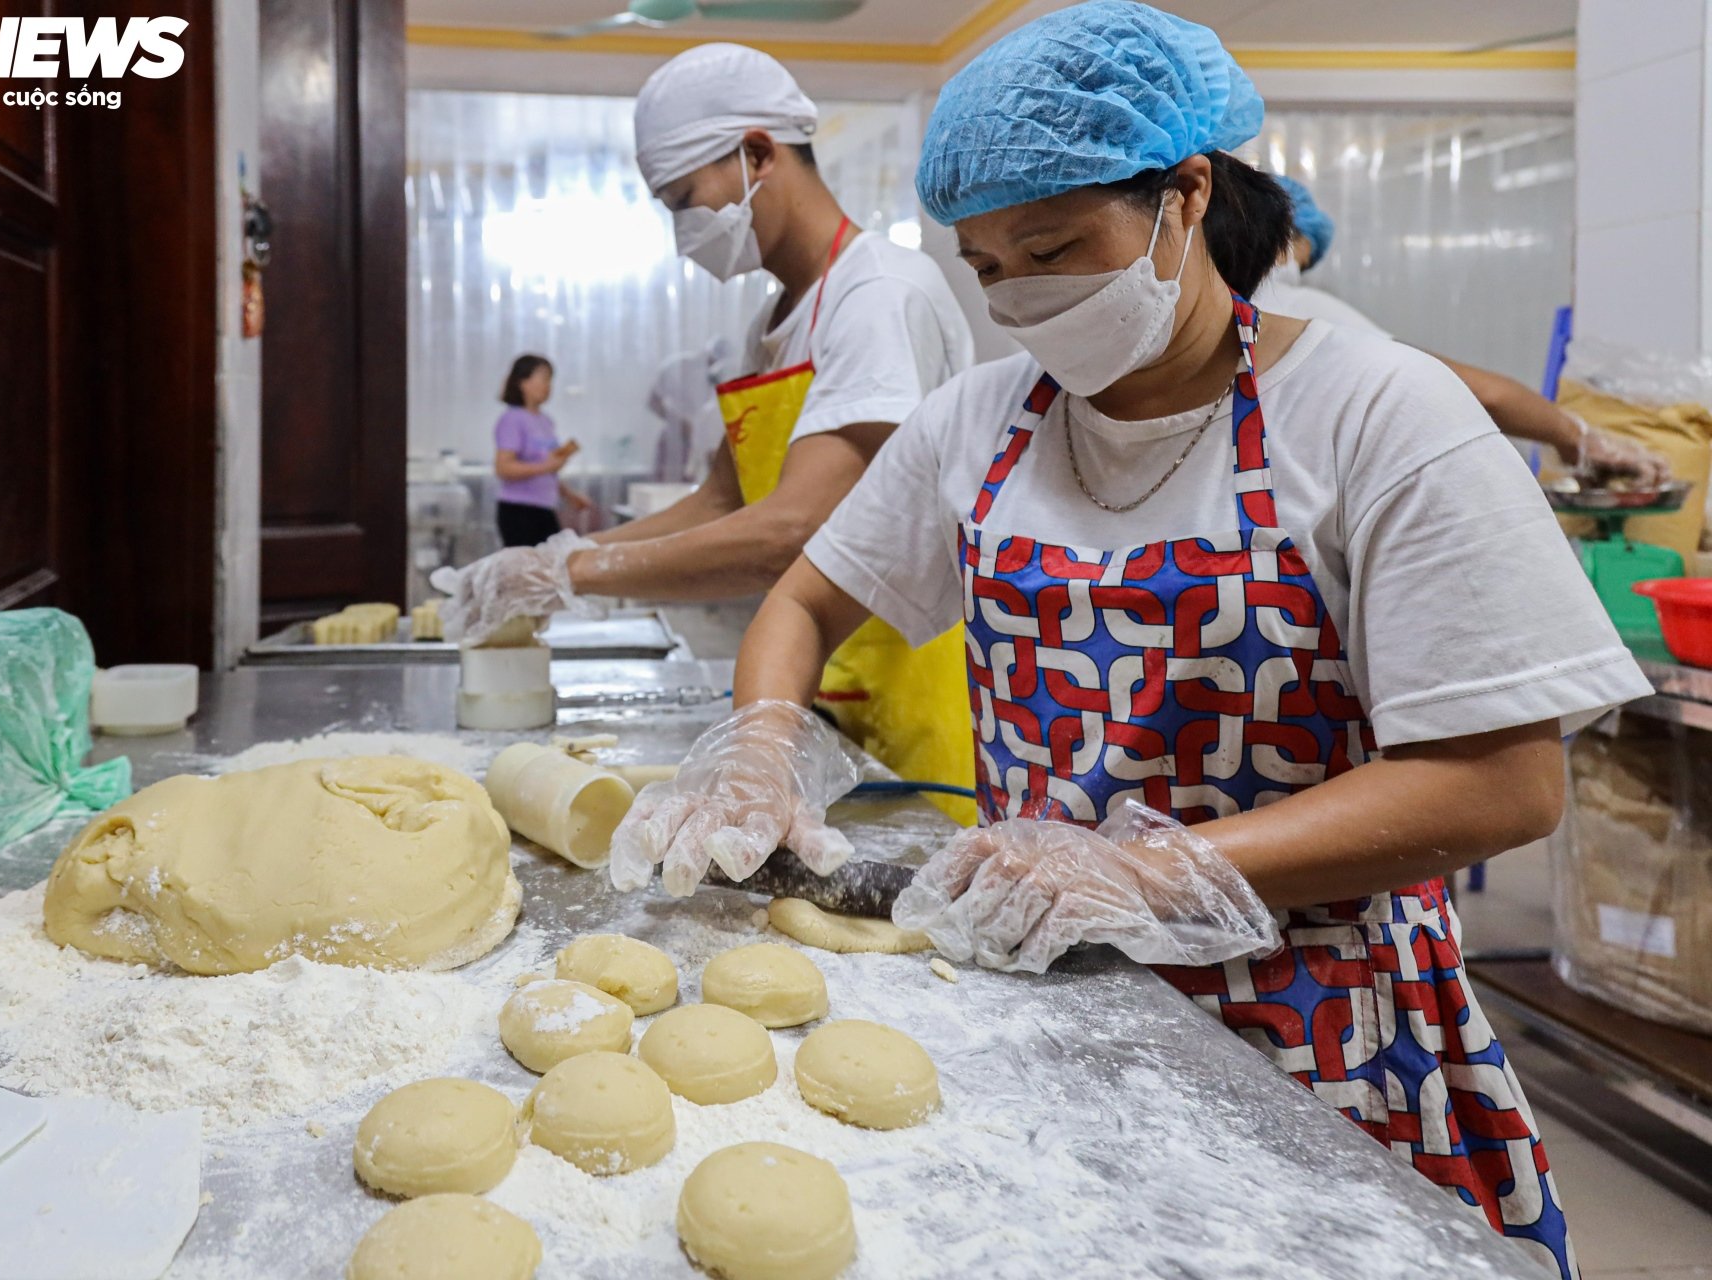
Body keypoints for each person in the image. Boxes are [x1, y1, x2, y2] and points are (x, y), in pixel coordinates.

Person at [608, 6, 1652, 1276]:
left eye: (1052, 248)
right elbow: (805, 599)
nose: (1021, 298)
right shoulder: (976, 421)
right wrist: (761, 743)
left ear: (1187, 194)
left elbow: (1504, 779)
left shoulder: (1377, 414)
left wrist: (1151, 872)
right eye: (987, 268)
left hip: (1320, 1031)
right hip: (1039, 997)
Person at [437, 44, 980, 823]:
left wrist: (577, 578)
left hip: (907, 711)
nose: (684, 231)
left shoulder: (879, 298)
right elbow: (723, 501)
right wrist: (556, 556)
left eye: (686, 199)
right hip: (820, 693)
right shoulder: (778, 318)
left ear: (757, 152)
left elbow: (794, 530)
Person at [1255, 174, 1670, 486]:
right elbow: (1473, 390)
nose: (1303, 266)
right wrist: (1576, 437)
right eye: (1305, 249)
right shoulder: (1295, 306)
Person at [491, 354, 591, 548]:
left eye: (550, 380)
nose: (548, 386)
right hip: (518, 510)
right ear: (523, 381)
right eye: (543, 378)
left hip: (545, 507)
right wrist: (546, 466)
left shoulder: (546, 421)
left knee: (552, 565)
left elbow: (548, 471)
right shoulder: (512, 419)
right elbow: (503, 468)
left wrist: (570, 496)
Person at [647, 337, 731, 483]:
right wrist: (679, 424)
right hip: (675, 438)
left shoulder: (723, 374)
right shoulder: (679, 366)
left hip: (704, 440)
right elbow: (653, 401)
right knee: (665, 490)